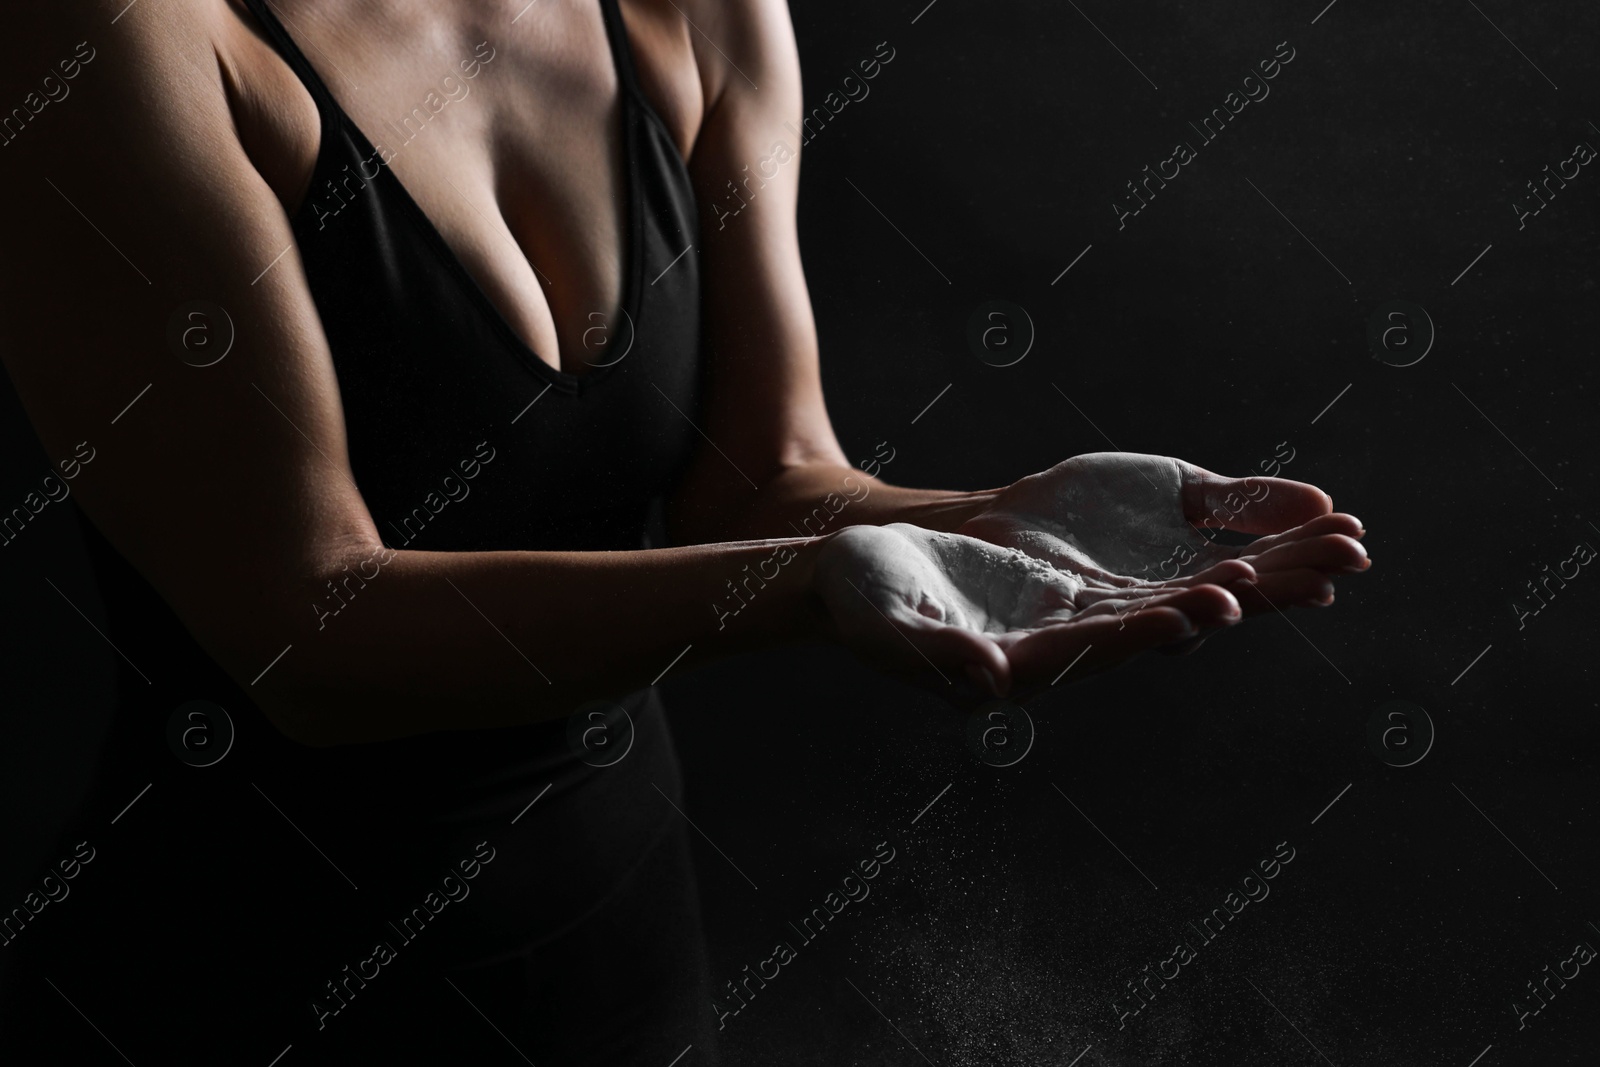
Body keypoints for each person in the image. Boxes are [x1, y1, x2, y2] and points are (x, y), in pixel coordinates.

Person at [0, 0, 1368, 1062]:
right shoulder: (116, 42)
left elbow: (766, 477)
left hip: (617, 960)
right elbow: (307, 632)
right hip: (237, 982)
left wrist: (992, 520)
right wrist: (807, 584)